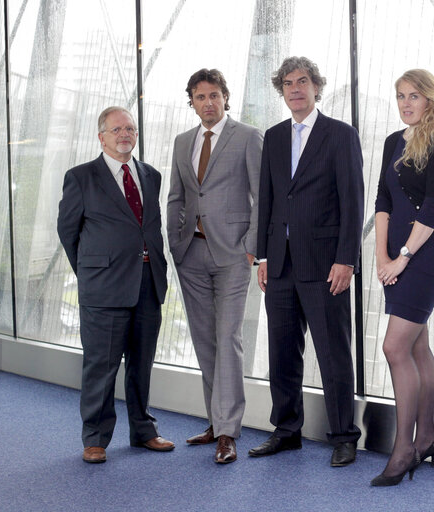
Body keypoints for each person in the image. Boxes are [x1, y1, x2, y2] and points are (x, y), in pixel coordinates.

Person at [248, 56, 364, 467]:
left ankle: (344, 436)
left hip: (325, 264)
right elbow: (269, 199)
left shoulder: (340, 134)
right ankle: (286, 430)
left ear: (317, 87)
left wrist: (346, 259)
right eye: (288, 84)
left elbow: (353, 202)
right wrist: (262, 254)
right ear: (282, 91)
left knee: (333, 352)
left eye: (303, 82)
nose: (295, 89)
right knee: (281, 351)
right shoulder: (275, 136)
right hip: (279, 264)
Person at [57, 106, 174, 463]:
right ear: (101, 136)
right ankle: (95, 438)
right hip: (104, 287)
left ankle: (143, 430)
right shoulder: (81, 177)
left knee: (142, 365)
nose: (125, 134)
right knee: (101, 365)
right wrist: (92, 272)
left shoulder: (150, 175)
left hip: (147, 283)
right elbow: (68, 232)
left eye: (130, 129)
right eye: (117, 129)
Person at [167, 69, 263, 464]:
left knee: (229, 339)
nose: (207, 102)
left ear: (226, 97)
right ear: (191, 101)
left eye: (214, 95)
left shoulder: (247, 137)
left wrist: (250, 248)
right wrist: (176, 245)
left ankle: (227, 432)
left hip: (232, 256)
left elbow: (262, 195)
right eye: (199, 96)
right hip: (192, 254)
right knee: (205, 340)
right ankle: (215, 420)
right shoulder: (182, 141)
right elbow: (177, 196)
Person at [371, 69, 434, 486]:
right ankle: (427, 438)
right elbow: (383, 201)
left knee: (394, 347)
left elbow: (433, 208)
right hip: (397, 257)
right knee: (418, 346)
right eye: (401, 95)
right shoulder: (392, 141)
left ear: (430, 100)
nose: (406, 103)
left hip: (426, 255)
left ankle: (404, 449)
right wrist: (381, 254)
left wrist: (401, 258)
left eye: (414, 96)